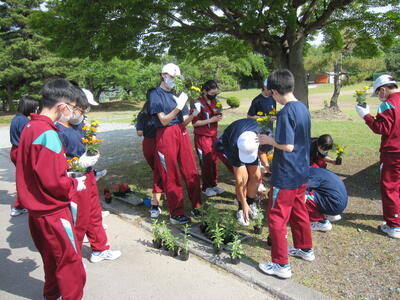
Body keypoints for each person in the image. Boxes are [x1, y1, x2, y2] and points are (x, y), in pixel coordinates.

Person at [16, 79, 86, 300]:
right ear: (62, 107)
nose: (74, 114)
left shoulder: (30, 126)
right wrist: (75, 182)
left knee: (51, 260)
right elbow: (55, 183)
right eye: (73, 108)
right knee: (71, 264)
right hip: (53, 213)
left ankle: (51, 294)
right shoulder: (48, 133)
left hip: (37, 212)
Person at [258, 69, 313, 279]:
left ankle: (280, 265)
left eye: (271, 94)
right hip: (301, 172)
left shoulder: (285, 112)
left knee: (276, 218)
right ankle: (305, 248)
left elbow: (287, 146)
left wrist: (268, 140)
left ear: (274, 91)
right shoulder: (302, 108)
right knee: (299, 211)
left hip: (286, 174)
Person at [56, 86, 122, 262]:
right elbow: (58, 163)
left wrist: (91, 156)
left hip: (88, 174)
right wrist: (78, 163)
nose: (83, 113)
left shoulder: (79, 125)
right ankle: (73, 261)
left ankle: (99, 249)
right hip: (75, 179)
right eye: (82, 109)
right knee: (79, 220)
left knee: (94, 213)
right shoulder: (58, 130)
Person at [148, 63, 202, 225]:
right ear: (164, 75)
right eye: (172, 77)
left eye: (176, 79)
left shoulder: (177, 93)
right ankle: (176, 212)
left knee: (190, 169)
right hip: (165, 134)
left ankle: (196, 205)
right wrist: (179, 107)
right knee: (170, 173)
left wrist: (194, 114)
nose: (174, 81)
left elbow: (184, 121)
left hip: (181, 132)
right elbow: (163, 120)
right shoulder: (155, 94)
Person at [355, 74, 400, 239]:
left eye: (379, 93)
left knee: (390, 188)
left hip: (393, 153)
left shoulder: (388, 105)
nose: (379, 97)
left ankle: (394, 225)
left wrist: (366, 116)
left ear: (383, 89)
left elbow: (381, 128)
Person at [214, 118, 261, 226]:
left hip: (249, 146)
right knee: (243, 178)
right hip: (232, 146)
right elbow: (240, 182)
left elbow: (262, 152)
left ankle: (251, 202)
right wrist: (243, 204)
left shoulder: (260, 134)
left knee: (256, 176)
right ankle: (240, 208)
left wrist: (267, 166)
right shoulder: (233, 146)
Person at [192, 80, 233, 197]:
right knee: (205, 162)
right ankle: (206, 187)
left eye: (216, 93)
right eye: (212, 92)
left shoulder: (216, 101)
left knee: (214, 161)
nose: (214, 95)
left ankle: (214, 184)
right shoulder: (197, 103)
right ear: (205, 91)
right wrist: (210, 120)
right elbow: (194, 123)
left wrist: (219, 116)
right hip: (202, 137)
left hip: (213, 136)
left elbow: (217, 113)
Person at [9, 96, 39, 216]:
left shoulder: (17, 118)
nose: (36, 109)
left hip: (15, 151)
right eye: (35, 107)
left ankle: (24, 203)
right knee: (24, 180)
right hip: (20, 152)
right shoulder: (24, 121)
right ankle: (19, 206)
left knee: (24, 178)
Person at [136, 95, 164, 218]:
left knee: (158, 171)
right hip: (160, 142)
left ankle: (163, 193)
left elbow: (139, 133)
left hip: (147, 144)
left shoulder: (142, 114)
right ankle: (154, 206)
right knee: (159, 173)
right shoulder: (160, 113)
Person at [247, 79, 277, 191]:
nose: (271, 91)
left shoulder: (273, 98)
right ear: (264, 87)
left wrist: (273, 118)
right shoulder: (257, 100)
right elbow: (249, 116)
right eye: (269, 89)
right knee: (260, 154)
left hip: (269, 130)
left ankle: (268, 174)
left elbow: (273, 113)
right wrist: (265, 118)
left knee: (268, 153)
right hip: (259, 131)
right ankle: (258, 181)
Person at [306, 167, 348, 231]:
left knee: (299, 194)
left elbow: (302, 196)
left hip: (334, 205)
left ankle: (320, 223)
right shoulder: (314, 170)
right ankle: (328, 214)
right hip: (340, 201)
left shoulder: (309, 176)